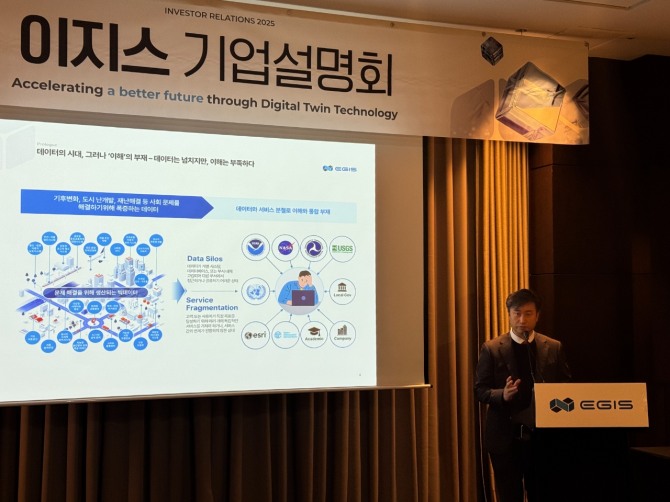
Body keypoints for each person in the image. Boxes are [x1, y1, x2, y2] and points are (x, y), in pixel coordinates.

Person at [474, 288, 570, 502]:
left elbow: (566, 386)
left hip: (544, 438)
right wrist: (503, 394)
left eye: (528, 314)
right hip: (505, 437)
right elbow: (480, 390)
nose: (522, 320)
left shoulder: (553, 347)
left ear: (537, 315)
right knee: (509, 495)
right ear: (509, 315)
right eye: (517, 313)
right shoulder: (492, 349)